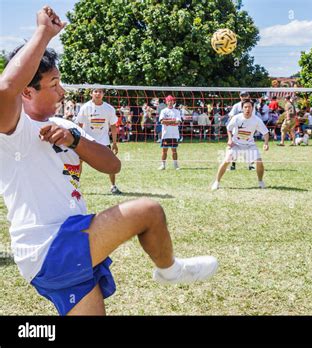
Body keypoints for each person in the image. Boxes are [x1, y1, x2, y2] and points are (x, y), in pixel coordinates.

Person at [0, 6, 217, 316]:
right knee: (148, 210)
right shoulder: (12, 129)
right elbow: (5, 88)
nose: (62, 91)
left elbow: (112, 166)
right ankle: (170, 270)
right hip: (49, 247)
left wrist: (73, 139)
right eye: (53, 85)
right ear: (27, 92)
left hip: (68, 247)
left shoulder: (68, 126)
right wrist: (43, 34)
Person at [211, 99, 269, 190]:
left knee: (259, 162)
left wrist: (266, 143)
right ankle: (216, 182)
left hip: (250, 145)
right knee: (226, 161)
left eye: (249, 107)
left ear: (252, 108)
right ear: (242, 108)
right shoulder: (237, 118)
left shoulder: (256, 120)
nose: (247, 109)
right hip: (236, 144)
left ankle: (260, 181)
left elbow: (265, 132)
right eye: (245, 107)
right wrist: (230, 139)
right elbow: (229, 128)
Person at [77, 88, 122, 195]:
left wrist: (114, 143)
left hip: (103, 141)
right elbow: (79, 125)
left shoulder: (109, 108)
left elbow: (113, 126)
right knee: (78, 162)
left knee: (110, 162)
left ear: (103, 94)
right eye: (95, 91)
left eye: (100, 92)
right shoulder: (85, 107)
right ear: (91, 93)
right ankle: (75, 187)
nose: (98, 94)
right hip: (87, 140)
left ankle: (113, 186)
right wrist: (78, 140)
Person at [228, 91, 256, 170]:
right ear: (240, 97)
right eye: (242, 96)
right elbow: (231, 115)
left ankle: (251, 165)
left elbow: (253, 116)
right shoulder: (236, 106)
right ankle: (233, 165)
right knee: (234, 148)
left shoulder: (251, 105)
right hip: (237, 130)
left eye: (245, 95)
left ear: (248, 96)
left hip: (248, 130)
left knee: (250, 147)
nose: (244, 97)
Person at [158, 95, 182, 170]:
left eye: (172, 101)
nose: (170, 102)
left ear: (173, 102)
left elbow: (178, 122)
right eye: (169, 101)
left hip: (174, 134)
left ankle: (176, 165)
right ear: (166, 102)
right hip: (166, 134)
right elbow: (162, 121)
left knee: (174, 150)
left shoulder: (177, 111)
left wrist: (167, 122)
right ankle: (163, 165)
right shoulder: (163, 111)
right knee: (164, 150)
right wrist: (172, 121)